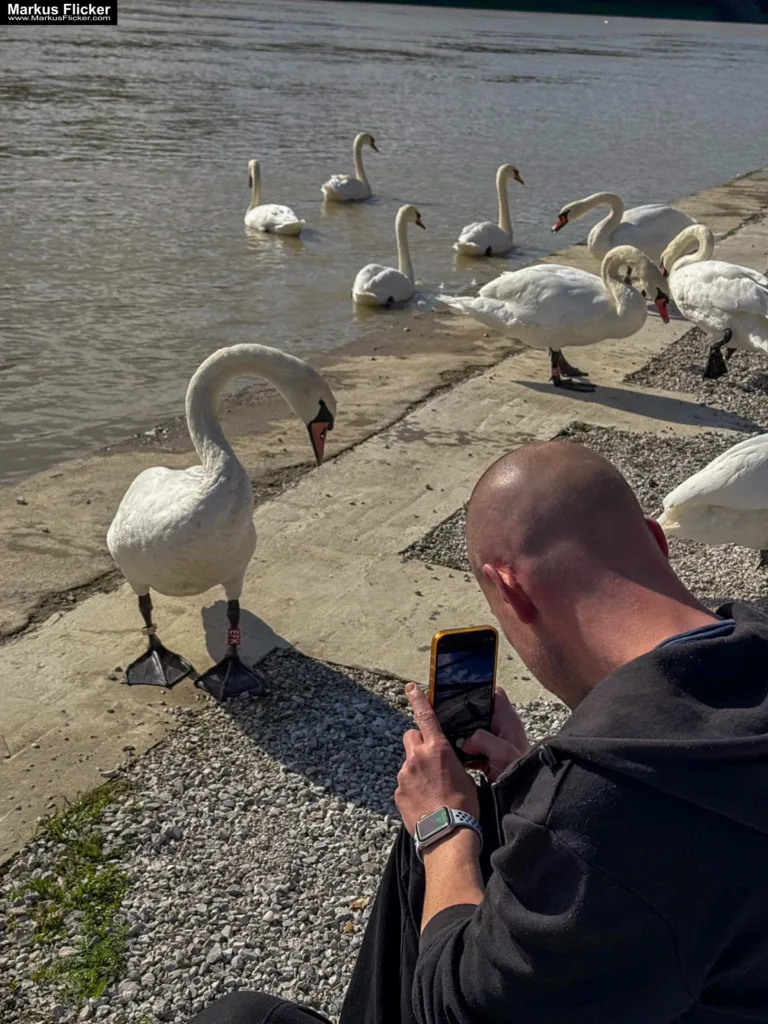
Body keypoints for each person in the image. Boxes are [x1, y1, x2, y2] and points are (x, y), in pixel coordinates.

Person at [191, 440, 768, 1024]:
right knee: (482, 813)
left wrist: (444, 829)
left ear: (511, 591)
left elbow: (456, 1009)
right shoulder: (751, 638)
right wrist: (533, 784)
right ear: (657, 541)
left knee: (235, 1017)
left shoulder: (612, 794)